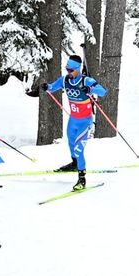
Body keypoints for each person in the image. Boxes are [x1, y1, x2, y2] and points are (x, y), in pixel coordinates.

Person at [31, 55, 106, 191]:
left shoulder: (86, 80)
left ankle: (82, 178)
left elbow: (103, 91)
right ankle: (74, 164)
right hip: (73, 120)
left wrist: (90, 90)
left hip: (85, 121)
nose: (68, 72)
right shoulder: (65, 80)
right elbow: (53, 87)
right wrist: (46, 86)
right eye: (67, 69)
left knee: (79, 149)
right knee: (71, 143)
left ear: (78, 69)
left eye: (71, 70)